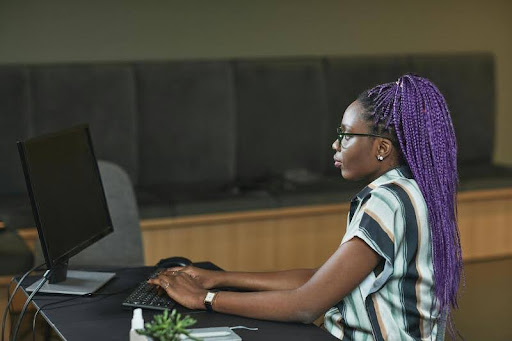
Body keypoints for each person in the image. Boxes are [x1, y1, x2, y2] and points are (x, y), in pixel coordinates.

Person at [148, 74, 463, 341]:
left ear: (381, 148)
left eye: (346, 135)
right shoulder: (416, 191)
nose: (336, 144)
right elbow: (324, 283)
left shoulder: (385, 201)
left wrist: (203, 299)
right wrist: (217, 278)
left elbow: (306, 305)